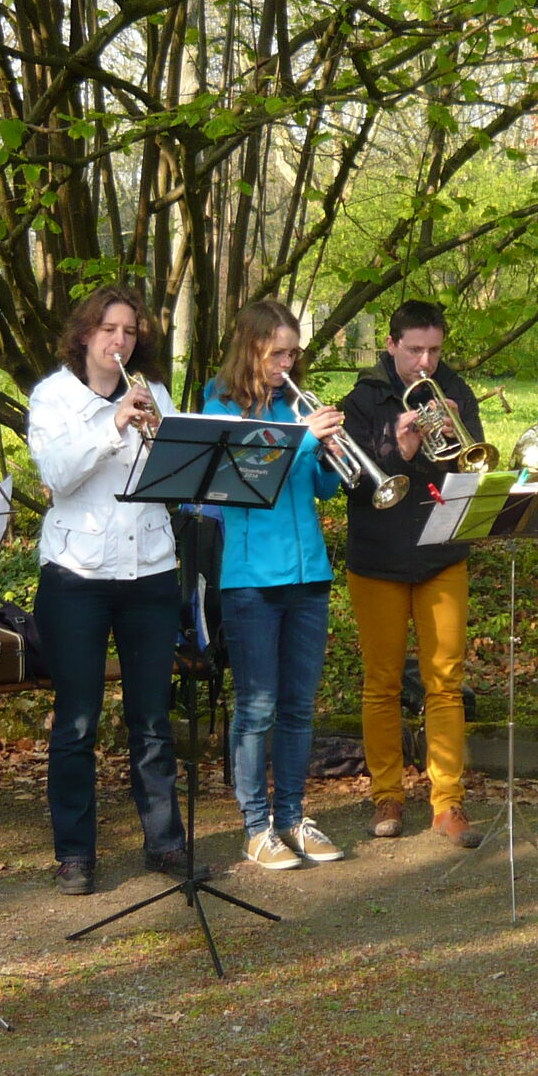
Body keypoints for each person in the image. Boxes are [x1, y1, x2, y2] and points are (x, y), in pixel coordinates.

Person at [25, 285, 189, 895]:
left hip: (150, 570)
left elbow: (175, 478)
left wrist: (157, 433)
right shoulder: (54, 397)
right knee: (77, 720)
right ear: (86, 335)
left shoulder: (155, 393)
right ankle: (75, 853)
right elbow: (58, 476)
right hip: (77, 577)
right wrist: (113, 426)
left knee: (151, 716)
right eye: (108, 330)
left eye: (129, 331)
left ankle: (165, 841)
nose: (120, 341)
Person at [203, 299, 347, 871]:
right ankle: (255, 824)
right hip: (250, 576)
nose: (286, 363)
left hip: (308, 570)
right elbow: (247, 479)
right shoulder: (222, 408)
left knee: (298, 706)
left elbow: (320, 489)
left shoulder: (294, 406)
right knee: (256, 706)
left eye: (293, 353)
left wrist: (332, 457)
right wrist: (306, 438)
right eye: (276, 352)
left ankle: (292, 814)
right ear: (251, 348)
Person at [336, 299, 483, 847]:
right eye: (415, 350)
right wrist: (396, 451)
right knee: (383, 683)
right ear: (391, 345)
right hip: (378, 558)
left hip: (442, 550)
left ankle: (447, 803)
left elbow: (471, 461)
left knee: (445, 682)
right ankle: (388, 795)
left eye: (435, 350)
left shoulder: (455, 391)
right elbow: (349, 481)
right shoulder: (361, 400)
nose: (426, 362)